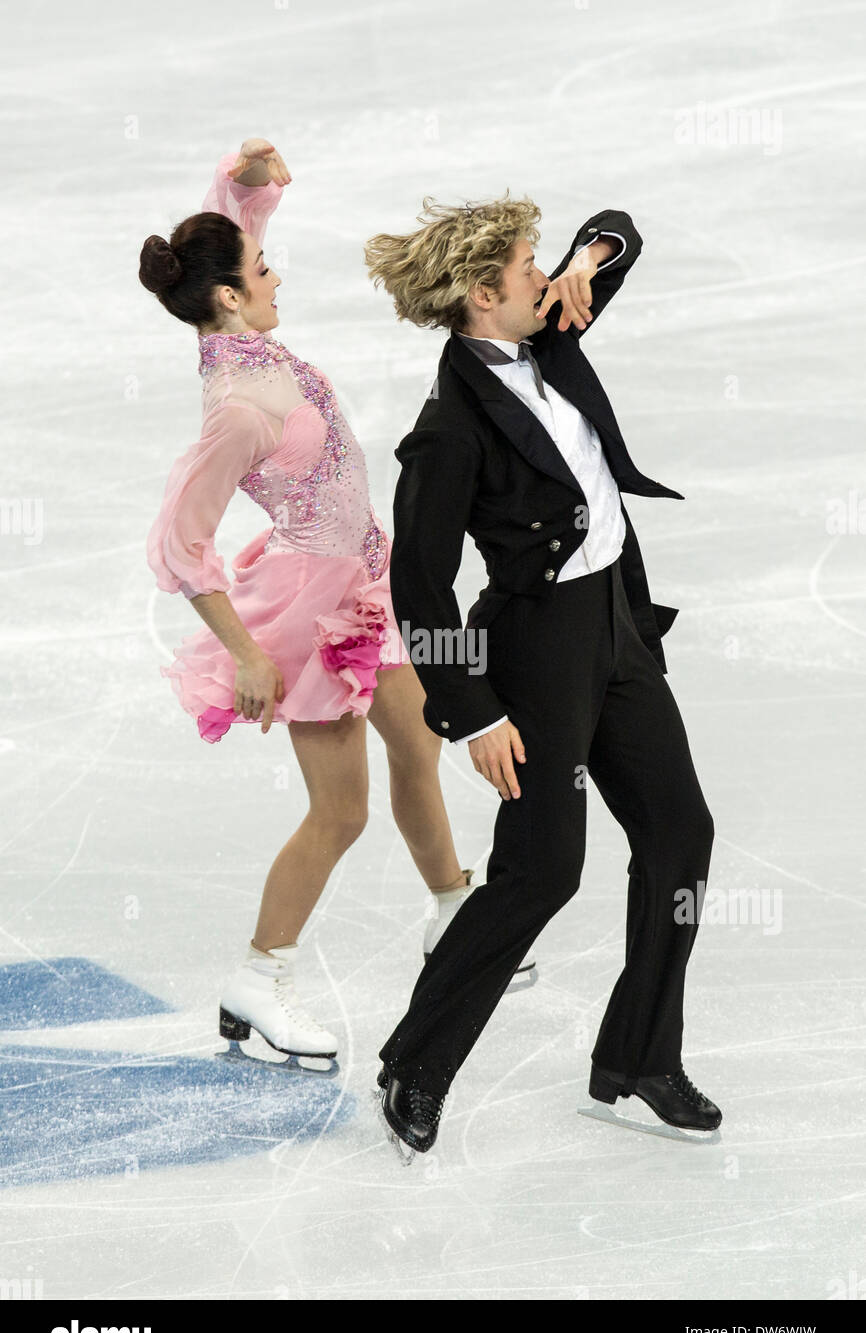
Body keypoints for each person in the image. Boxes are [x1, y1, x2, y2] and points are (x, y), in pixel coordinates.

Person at [364, 192, 721, 1155]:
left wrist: (589, 256)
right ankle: (417, 1063)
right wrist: (474, 716)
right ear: (485, 296)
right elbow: (419, 586)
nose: (548, 276)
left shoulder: (550, 322)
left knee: (680, 833)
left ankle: (637, 1058)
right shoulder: (449, 429)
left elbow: (621, 230)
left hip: (617, 625)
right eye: (531, 267)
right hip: (538, 652)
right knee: (542, 871)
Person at [139, 138, 489, 1068]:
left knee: (420, 739)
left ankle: (454, 910)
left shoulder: (233, 328)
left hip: (363, 581)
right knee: (341, 813)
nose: (272, 274)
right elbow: (178, 543)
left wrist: (244, 180)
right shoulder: (238, 405)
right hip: (310, 612)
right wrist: (252, 657)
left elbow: (235, 226)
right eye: (260, 271)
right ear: (227, 297)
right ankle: (260, 981)